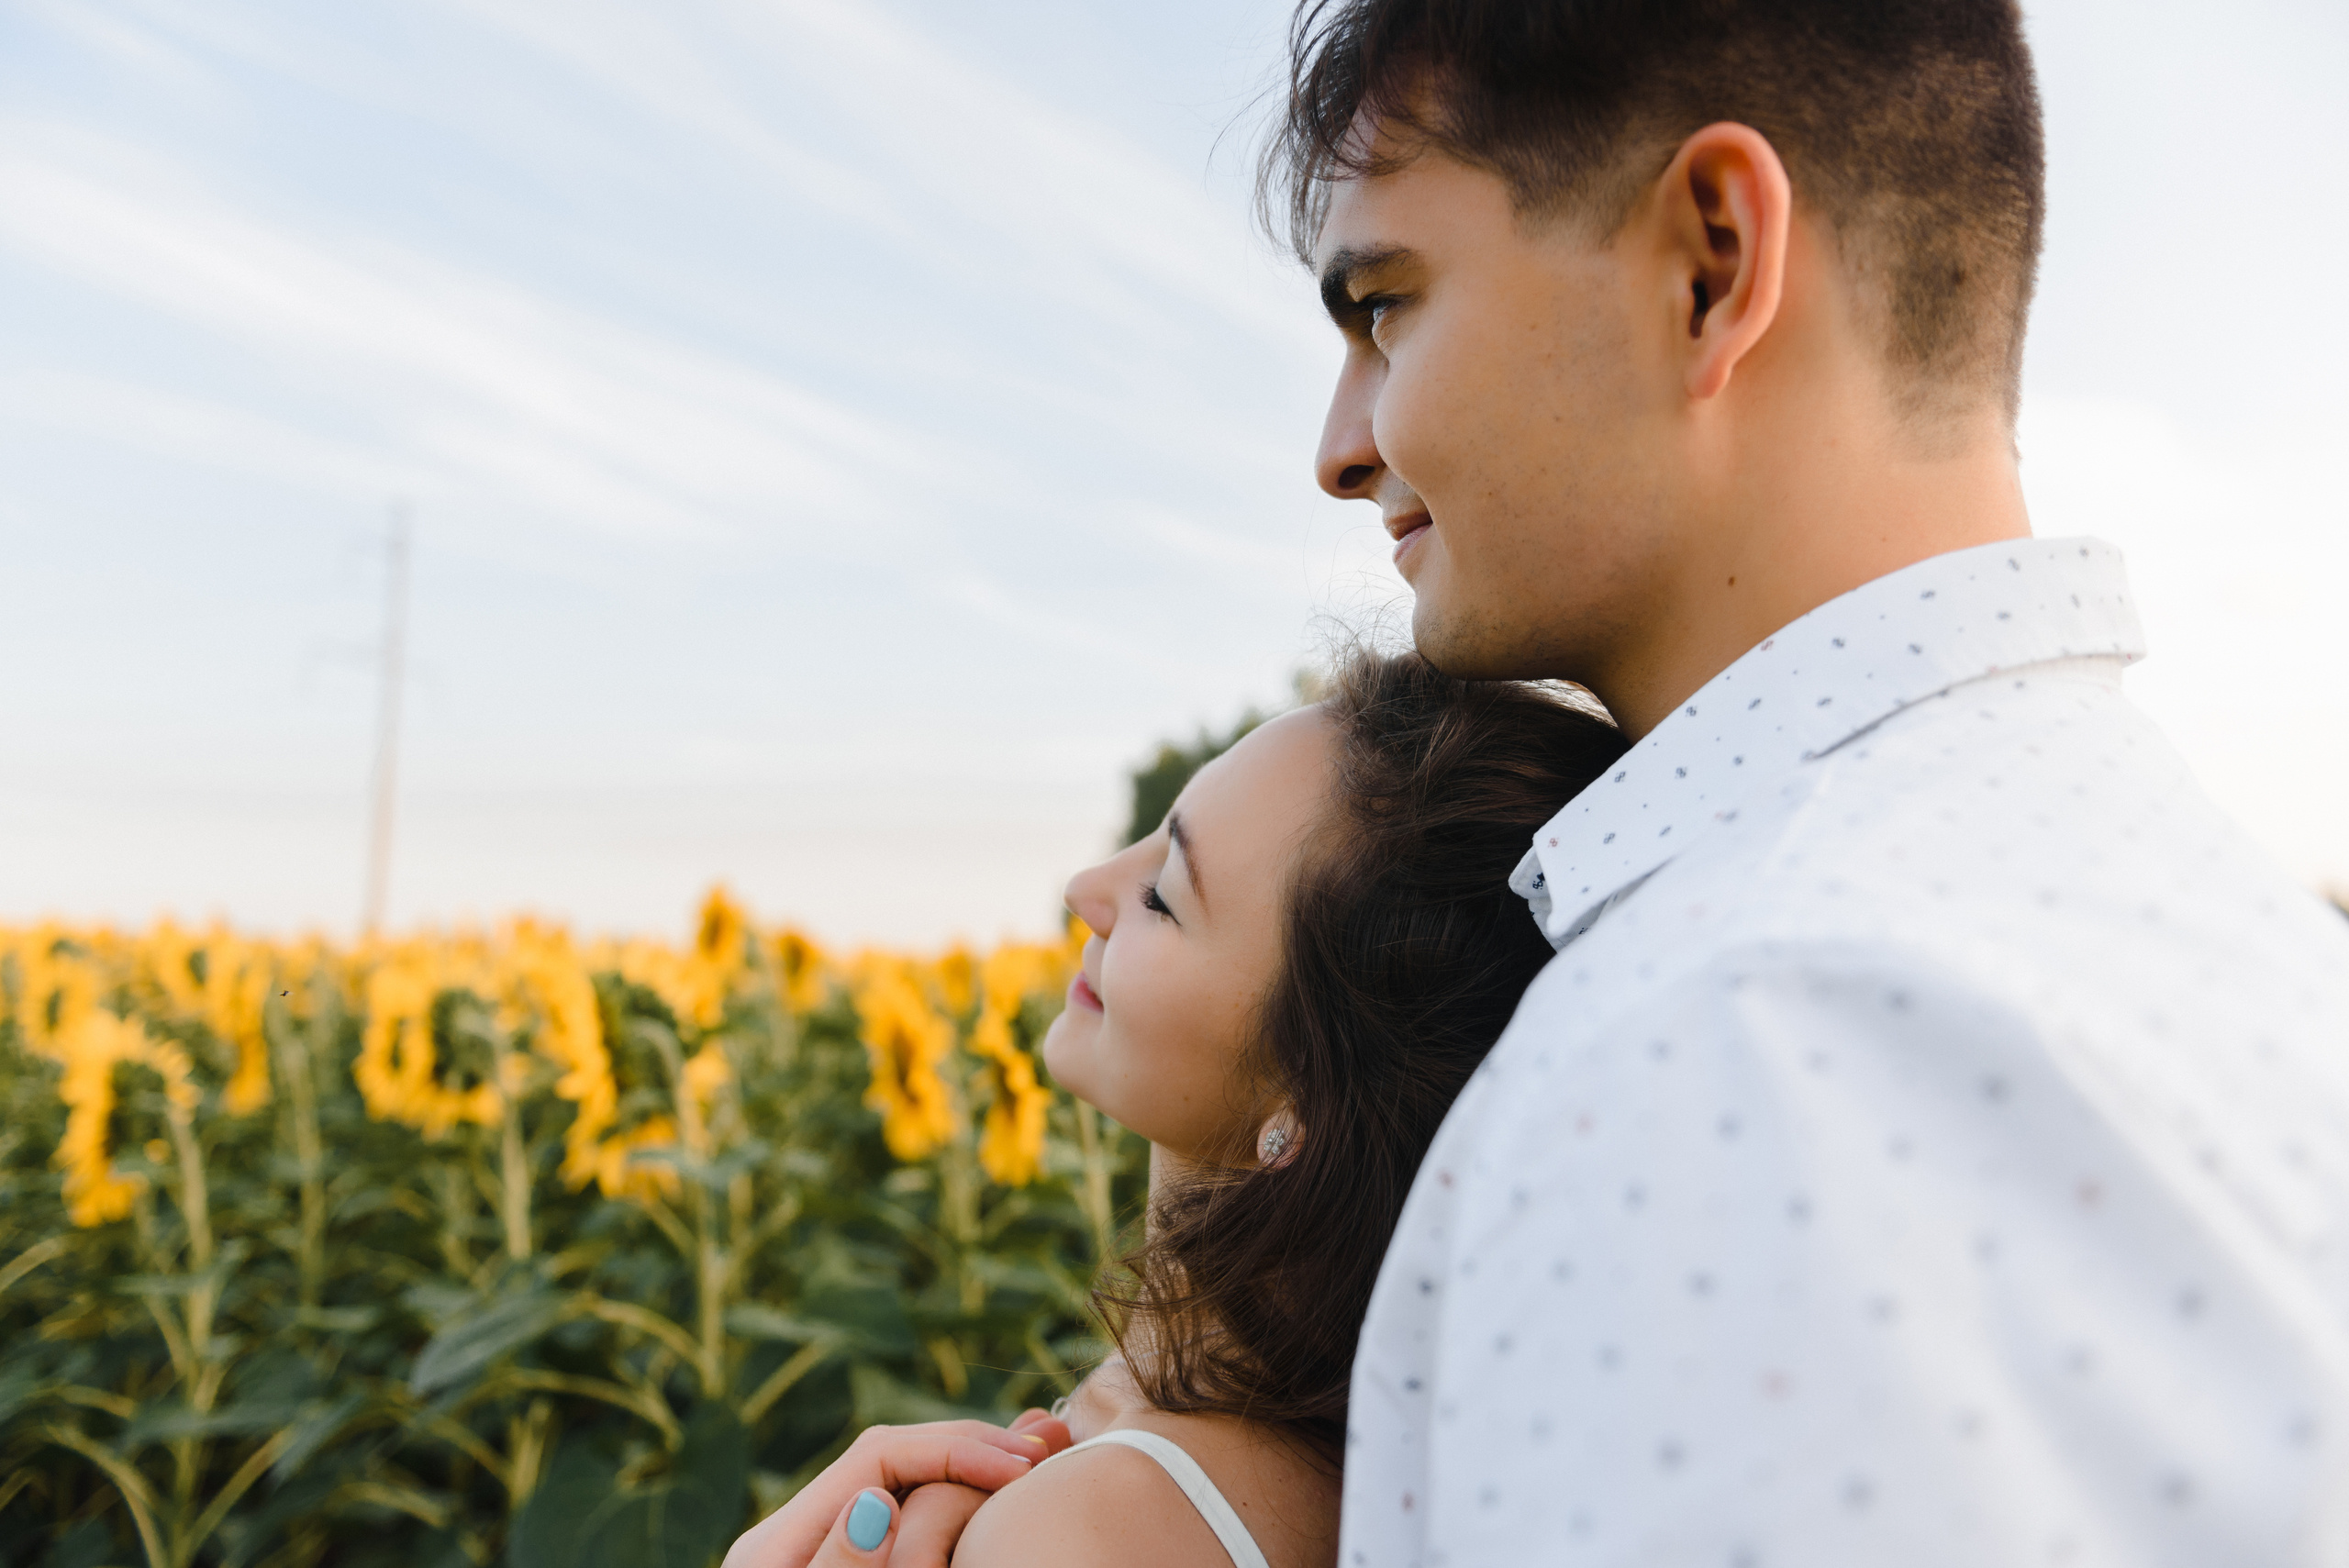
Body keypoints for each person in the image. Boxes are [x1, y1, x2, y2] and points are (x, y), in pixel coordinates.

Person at [1268, 0, 2349, 1562]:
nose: (1342, 446)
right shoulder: (2238, 939)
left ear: (1710, 264)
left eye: (1387, 307)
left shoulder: (1739, 1042)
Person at [724, 651, 1623, 1566]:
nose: (1087, 887)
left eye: (1162, 894)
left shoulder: (1086, 1529)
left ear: (1304, 1096)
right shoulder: (1362, 1466)